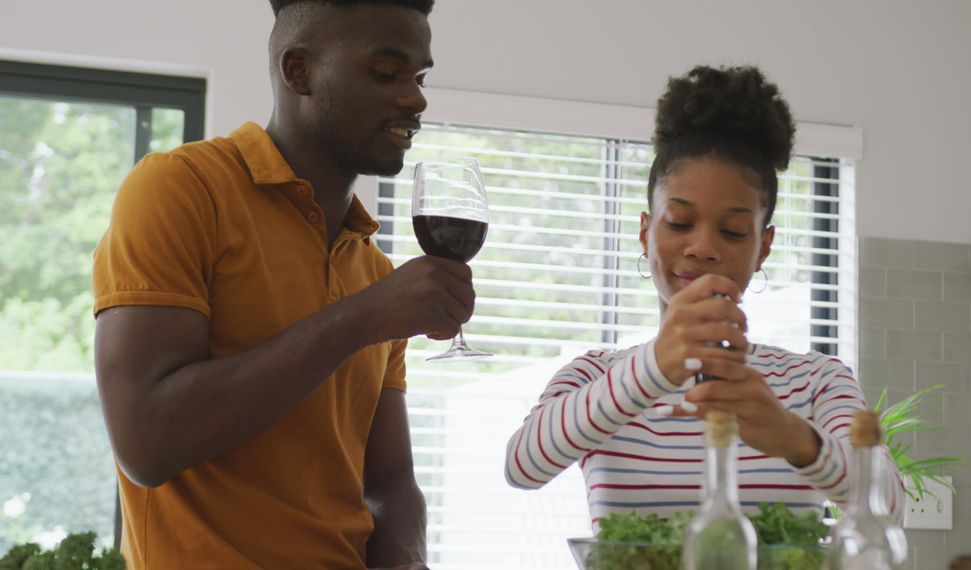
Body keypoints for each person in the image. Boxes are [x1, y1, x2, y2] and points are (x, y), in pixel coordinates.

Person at [91, 1, 471, 568]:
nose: (416, 99)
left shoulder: (374, 272)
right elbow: (147, 442)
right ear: (300, 71)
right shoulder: (180, 189)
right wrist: (361, 319)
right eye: (385, 74)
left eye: (419, 78)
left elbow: (390, 482)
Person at [504, 65, 904, 527]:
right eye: (678, 222)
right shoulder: (596, 374)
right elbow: (521, 467)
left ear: (763, 247)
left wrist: (795, 438)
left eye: (733, 231)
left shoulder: (814, 381)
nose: (703, 248)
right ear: (645, 233)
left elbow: (891, 507)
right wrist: (654, 367)